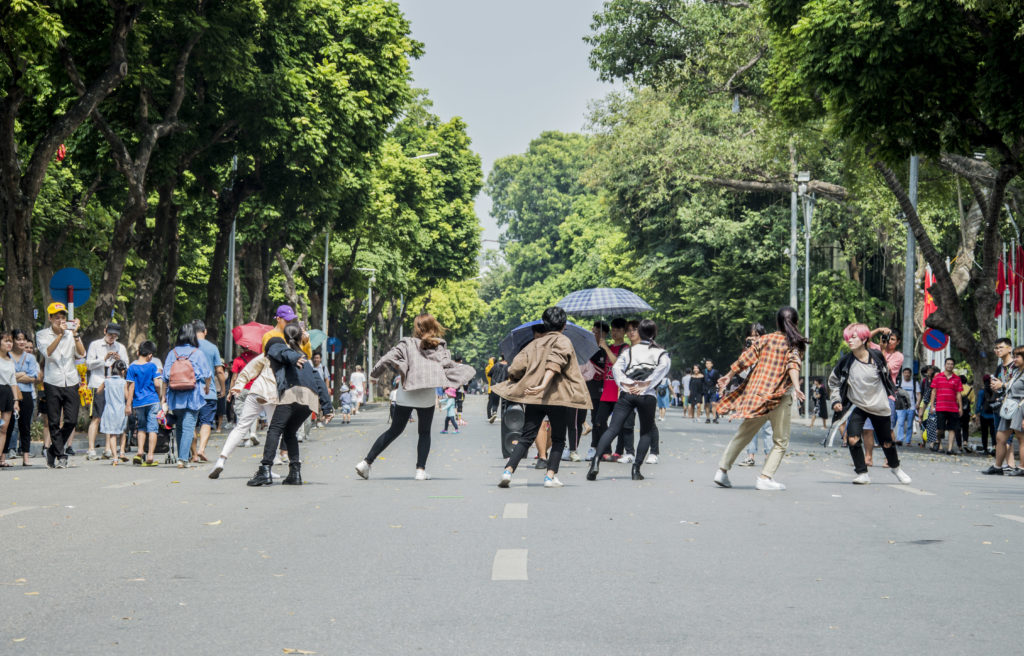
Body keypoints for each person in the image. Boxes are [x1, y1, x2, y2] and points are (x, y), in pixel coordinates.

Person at [354, 314, 474, 481]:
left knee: (394, 430)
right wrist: (463, 373)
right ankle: (420, 470)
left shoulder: (406, 343)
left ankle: (366, 463)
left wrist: (375, 374)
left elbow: (387, 358)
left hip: (407, 391)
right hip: (426, 394)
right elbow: (447, 366)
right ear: (433, 327)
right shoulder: (439, 346)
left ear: (416, 327)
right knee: (424, 432)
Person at [495, 306, 592, 488]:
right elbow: (555, 362)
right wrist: (544, 384)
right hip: (557, 397)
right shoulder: (564, 341)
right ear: (564, 325)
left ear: (544, 324)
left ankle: (508, 471)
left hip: (534, 398)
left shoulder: (534, 343)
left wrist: (519, 379)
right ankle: (550, 476)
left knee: (526, 437)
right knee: (558, 439)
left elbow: (515, 367)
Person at [712, 307, 808, 491]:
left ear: (777, 323)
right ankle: (765, 477)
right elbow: (793, 364)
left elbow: (745, 359)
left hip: (756, 396)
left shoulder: (765, 339)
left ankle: (722, 471)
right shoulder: (794, 343)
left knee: (743, 435)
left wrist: (729, 375)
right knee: (780, 441)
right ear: (796, 323)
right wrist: (796, 386)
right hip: (778, 398)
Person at [247, 324, 332, 487]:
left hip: (292, 393)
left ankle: (265, 470)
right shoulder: (304, 358)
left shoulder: (277, 343)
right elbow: (319, 381)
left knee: (274, 429)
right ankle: (295, 472)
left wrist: (293, 358)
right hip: (309, 400)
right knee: (289, 431)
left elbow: (281, 351)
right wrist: (327, 408)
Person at [828, 323, 912, 485]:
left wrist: (893, 395)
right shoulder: (846, 361)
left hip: (879, 406)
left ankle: (896, 468)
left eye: (853, 337)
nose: (849, 341)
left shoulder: (876, 356)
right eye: (848, 338)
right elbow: (833, 382)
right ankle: (862, 473)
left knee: (886, 442)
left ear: (864, 338)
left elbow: (887, 378)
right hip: (858, 406)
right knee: (852, 438)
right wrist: (836, 400)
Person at [587, 319, 669, 481]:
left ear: (640, 332)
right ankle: (636, 469)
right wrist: (646, 385)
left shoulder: (629, 351)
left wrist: (626, 384)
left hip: (627, 394)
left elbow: (617, 368)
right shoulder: (660, 352)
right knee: (645, 431)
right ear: (653, 333)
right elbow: (663, 369)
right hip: (647, 395)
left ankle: (595, 462)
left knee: (612, 428)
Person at [211, 351, 280, 480]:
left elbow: (249, 369)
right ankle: (268, 467)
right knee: (274, 429)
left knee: (241, 426)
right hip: (272, 394)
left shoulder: (268, 354)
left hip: (256, 390)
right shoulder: (291, 355)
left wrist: (238, 385)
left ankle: (221, 460)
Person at [35, 302, 86, 468]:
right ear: (50, 318)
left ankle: (51, 451)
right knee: (54, 421)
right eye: (56, 317)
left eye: (62, 317)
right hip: (52, 381)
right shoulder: (42, 334)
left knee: (71, 420)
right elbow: (47, 352)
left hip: (71, 380)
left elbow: (81, 353)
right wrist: (60, 335)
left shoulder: (72, 334)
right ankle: (61, 455)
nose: (60, 320)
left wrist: (75, 334)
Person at [160, 322, 213, 468]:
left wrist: (163, 396)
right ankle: (183, 459)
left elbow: (165, 377)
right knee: (189, 426)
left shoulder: (173, 353)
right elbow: (207, 374)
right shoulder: (197, 353)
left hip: (175, 395)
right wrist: (207, 388)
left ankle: (183, 456)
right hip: (193, 395)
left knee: (179, 426)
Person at [83, 323, 129, 460]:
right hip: (98, 383)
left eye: (115, 336)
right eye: (110, 335)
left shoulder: (120, 347)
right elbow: (88, 364)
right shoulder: (95, 345)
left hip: (114, 384)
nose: (112, 338)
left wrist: (119, 360)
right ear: (105, 332)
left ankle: (108, 448)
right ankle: (91, 449)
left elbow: (127, 365)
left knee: (112, 416)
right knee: (97, 416)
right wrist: (103, 359)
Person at [192, 320, 225, 462]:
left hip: (190, 391)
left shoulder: (187, 348)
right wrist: (223, 388)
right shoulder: (212, 348)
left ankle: (193, 453)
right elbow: (219, 370)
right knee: (206, 422)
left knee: (191, 422)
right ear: (205, 331)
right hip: (209, 392)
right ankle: (201, 449)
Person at [126, 341, 162, 466]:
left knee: (141, 427)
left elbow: (131, 387)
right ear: (150, 355)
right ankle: (150, 455)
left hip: (138, 402)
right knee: (153, 428)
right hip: (152, 400)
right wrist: (160, 395)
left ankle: (140, 451)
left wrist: (128, 405)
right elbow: (157, 384)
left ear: (138, 353)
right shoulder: (152, 366)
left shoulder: (132, 368)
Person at [983, 339, 1016, 474]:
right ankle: (1010, 465)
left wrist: (1002, 385)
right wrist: (995, 387)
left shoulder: (1016, 366)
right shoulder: (999, 367)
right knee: (1001, 436)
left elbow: (1016, 385)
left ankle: (1003, 466)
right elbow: (998, 385)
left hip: (1012, 405)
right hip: (1000, 405)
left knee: (1006, 437)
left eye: (1001, 347)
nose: (998, 350)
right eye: (996, 348)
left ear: (1009, 349)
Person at [8, 329, 40, 466]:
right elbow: (4, 376)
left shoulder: (30, 358)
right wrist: (22, 374)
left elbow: (33, 377)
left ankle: (26, 457)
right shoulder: (6, 356)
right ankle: (4, 455)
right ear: (13, 340)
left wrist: (14, 376)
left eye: (23, 339)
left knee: (25, 426)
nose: (21, 342)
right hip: (9, 393)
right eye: (18, 339)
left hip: (26, 394)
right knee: (8, 426)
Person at [928, 357, 964, 455]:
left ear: (953, 366)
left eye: (951, 364)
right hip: (940, 407)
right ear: (945, 365)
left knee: (953, 428)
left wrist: (960, 407)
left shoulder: (957, 379)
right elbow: (933, 392)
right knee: (940, 429)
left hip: (953, 408)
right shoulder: (938, 377)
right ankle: (937, 441)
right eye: (948, 364)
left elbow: (959, 393)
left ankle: (949, 449)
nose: (950, 365)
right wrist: (932, 406)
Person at [97, 359, 129, 464]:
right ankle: (122, 452)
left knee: (112, 434)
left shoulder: (107, 381)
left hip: (109, 410)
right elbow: (127, 396)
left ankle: (115, 457)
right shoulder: (123, 382)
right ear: (123, 371)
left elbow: (98, 391)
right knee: (123, 431)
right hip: (121, 409)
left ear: (111, 369)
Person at [0, 331, 24, 468]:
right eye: (6, 341)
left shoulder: (10, 361)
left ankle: (1, 458)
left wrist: (16, 401)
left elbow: (13, 381)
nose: (9, 343)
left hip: (7, 393)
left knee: (4, 428)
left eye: (10, 341)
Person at [229, 347, 259, 447]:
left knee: (240, 412)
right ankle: (253, 433)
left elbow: (234, 377)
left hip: (241, 389)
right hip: (254, 388)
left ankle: (245, 436)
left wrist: (230, 392)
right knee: (254, 411)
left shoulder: (238, 360)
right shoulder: (257, 359)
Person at [895, 368, 919, 446]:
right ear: (903, 374)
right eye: (905, 373)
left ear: (910, 374)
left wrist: (917, 403)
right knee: (900, 423)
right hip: (901, 407)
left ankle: (908, 441)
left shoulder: (914, 383)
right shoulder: (899, 382)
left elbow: (918, 394)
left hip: (911, 407)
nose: (906, 374)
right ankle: (900, 439)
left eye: (908, 373)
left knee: (909, 425)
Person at [976, 375, 998, 455]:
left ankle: (985, 449)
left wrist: (977, 413)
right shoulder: (995, 391)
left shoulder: (981, 392)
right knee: (993, 433)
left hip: (984, 415)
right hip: (993, 415)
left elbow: (979, 404)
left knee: (984, 433)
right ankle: (994, 447)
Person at [702, 359, 720, 423]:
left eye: (709, 363)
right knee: (707, 404)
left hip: (713, 389)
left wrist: (720, 389)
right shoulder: (703, 371)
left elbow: (718, 381)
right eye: (706, 363)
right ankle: (708, 418)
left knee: (713, 403)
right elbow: (702, 381)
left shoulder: (715, 372)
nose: (708, 365)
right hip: (705, 390)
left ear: (712, 364)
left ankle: (714, 418)